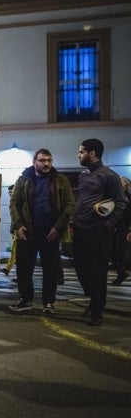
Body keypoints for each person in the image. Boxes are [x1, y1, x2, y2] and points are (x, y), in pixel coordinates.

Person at [7, 149, 75, 314]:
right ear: (34, 162)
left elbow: (70, 204)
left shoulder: (60, 180)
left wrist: (58, 227)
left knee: (50, 269)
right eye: (43, 160)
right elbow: (14, 203)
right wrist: (18, 225)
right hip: (28, 231)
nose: (47, 164)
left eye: (49, 160)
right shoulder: (24, 179)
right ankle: (25, 299)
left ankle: (49, 303)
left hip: (50, 232)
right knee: (23, 267)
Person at [72, 139, 127, 326]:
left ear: (92, 153)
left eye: (81, 152)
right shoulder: (83, 175)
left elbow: (120, 202)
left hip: (98, 231)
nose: (78, 155)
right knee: (80, 267)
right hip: (80, 229)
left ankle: (97, 310)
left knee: (98, 272)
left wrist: (108, 223)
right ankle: (94, 298)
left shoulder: (110, 176)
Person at [110, 176, 131, 285]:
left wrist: (129, 230)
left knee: (119, 251)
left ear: (126, 185)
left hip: (123, 227)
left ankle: (121, 273)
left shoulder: (127, 197)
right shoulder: (118, 196)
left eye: (122, 183)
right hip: (117, 227)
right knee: (115, 251)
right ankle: (121, 272)